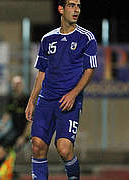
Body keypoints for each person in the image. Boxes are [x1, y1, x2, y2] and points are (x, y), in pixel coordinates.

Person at [25, 0, 97, 179]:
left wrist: (73, 94)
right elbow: (42, 72)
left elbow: (90, 70)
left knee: (64, 149)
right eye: (72, 5)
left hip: (68, 102)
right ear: (61, 9)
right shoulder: (48, 39)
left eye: (79, 6)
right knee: (37, 145)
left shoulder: (86, 38)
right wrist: (32, 101)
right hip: (46, 100)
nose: (77, 10)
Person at [0, 75, 31, 180]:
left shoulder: (26, 99)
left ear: (22, 85)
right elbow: (8, 114)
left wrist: (23, 137)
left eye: (19, 84)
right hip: (13, 131)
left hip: (22, 133)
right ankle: (13, 174)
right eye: (15, 84)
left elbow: (30, 121)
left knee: (2, 152)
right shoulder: (11, 98)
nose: (17, 86)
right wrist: (1, 125)